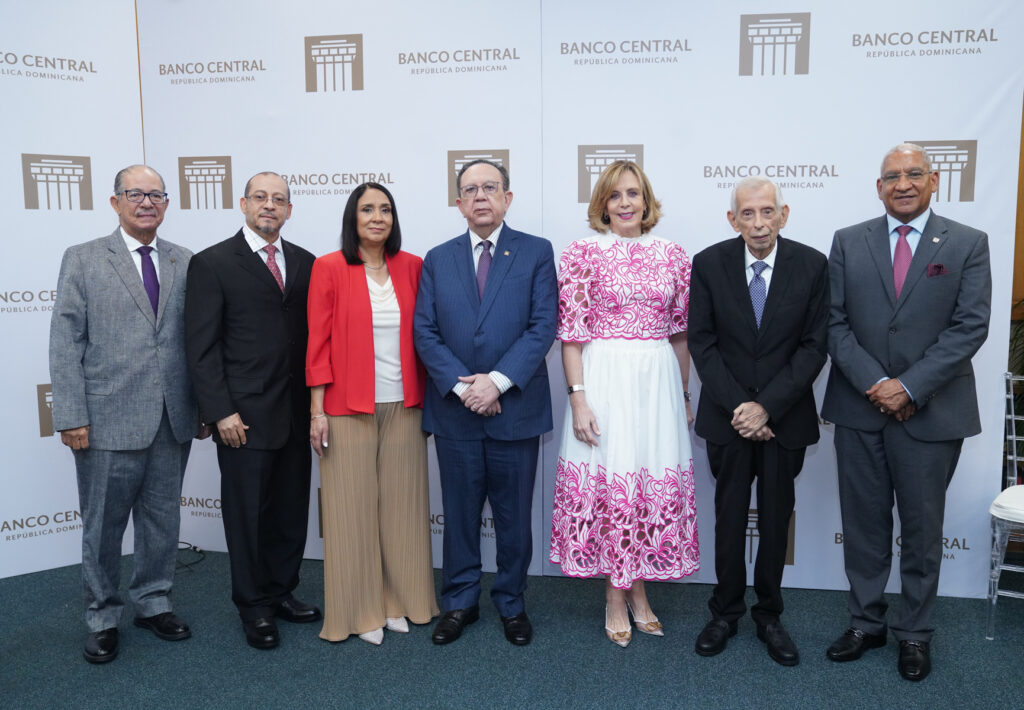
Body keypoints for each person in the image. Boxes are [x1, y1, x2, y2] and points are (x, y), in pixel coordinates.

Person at [821, 143, 991, 681]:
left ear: (933, 180)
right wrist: (878, 384)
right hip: (860, 407)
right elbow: (834, 323)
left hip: (931, 412)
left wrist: (910, 386)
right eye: (892, 176)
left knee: (921, 530)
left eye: (914, 173)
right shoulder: (848, 241)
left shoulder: (967, 242)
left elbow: (970, 326)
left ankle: (915, 633)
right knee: (864, 526)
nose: (903, 183)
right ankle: (865, 623)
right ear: (879, 187)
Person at [50, 165, 206, 663]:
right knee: (103, 527)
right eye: (135, 194)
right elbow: (65, 341)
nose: (146, 202)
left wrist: (203, 407)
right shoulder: (83, 259)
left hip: (172, 417)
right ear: (115, 202)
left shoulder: (185, 260)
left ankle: (154, 602)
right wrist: (70, 414)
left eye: (156, 195)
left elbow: (198, 341)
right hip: (105, 419)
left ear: (167, 204)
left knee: (162, 520)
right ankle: (101, 616)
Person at [548, 160, 698, 648]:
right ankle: (616, 597)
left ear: (647, 200)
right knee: (613, 484)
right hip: (604, 378)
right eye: (615, 195)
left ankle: (639, 590)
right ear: (603, 205)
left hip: (657, 383)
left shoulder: (674, 255)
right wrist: (578, 400)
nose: (626, 203)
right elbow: (571, 337)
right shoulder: (582, 253)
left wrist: (683, 395)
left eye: (633, 193)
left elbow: (680, 335)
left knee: (645, 479)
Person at [413, 159, 557, 646]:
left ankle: (512, 603)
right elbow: (425, 332)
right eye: (470, 189)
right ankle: (459, 602)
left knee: (514, 519)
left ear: (507, 198)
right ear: (458, 203)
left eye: (490, 188)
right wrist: (467, 390)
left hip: (515, 410)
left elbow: (543, 325)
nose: (480, 196)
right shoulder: (437, 258)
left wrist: (495, 383)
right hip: (455, 413)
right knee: (459, 516)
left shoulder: (536, 252)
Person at [688, 176, 828, 666]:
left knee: (774, 521)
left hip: (784, 421)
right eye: (747, 213)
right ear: (733, 220)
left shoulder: (812, 265)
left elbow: (814, 346)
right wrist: (742, 410)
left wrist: (767, 407)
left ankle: (769, 615)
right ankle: (724, 613)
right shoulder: (708, 264)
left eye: (768, 211)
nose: (759, 222)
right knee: (729, 519)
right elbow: (702, 343)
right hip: (727, 420)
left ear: (783, 215)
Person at [185, 171, 320, 650]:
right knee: (247, 517)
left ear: (289, 210)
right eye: (260, 197)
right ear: (243, 204)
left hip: (295, 413)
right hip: (241, 419)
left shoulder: (306, 262)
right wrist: (219, 411)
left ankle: (281, 592)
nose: (269, 205)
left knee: (290, 512)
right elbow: (202, 347)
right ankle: (253, 605)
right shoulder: (212, 263)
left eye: (278, 199)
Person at [306, 183, 438, 645]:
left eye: (385, 209)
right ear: (353, 218)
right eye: (367, 209)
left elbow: (428, 335)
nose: (377, 217)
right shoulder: (329, 267)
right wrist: (317, 411)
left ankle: (397, 600)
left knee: (403, 511)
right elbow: (317, 344)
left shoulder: (413, 267)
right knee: (351, 514)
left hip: (405, 405)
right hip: (345, 408)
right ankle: (360, 610)